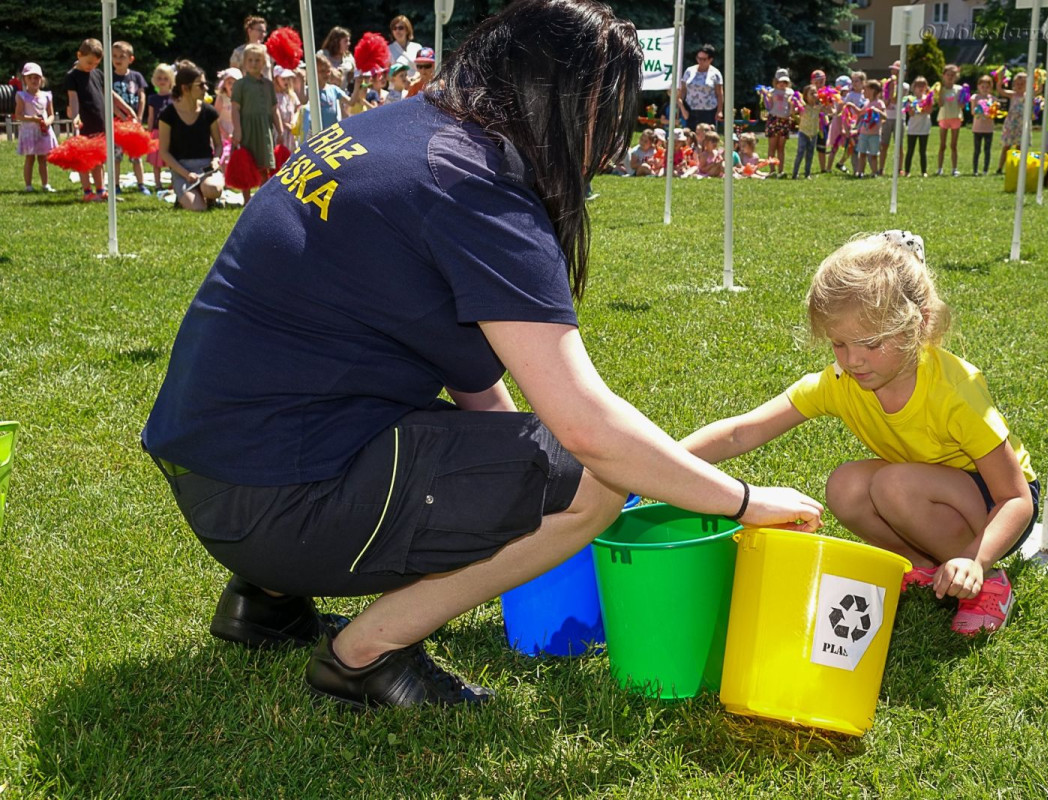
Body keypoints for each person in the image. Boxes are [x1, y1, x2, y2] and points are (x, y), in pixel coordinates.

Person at [141, 0, 823, 710]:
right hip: (272, 500)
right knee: (591, 482)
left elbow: (476, 390)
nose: (610, 147)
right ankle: (364, 657)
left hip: (209, 465)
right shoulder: (477, 186)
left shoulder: (398, 126)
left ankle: (266, 602)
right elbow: (590, 433)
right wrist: (744, 502)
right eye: (607, 118)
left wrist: (514, 500)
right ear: (567, 103)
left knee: (538, 462)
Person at [681, 231, 1038, 636]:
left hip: (999, 505)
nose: (853, 360)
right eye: (839, 343)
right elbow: (741, 433)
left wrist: (976, 558)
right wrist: (663, 460)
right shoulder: (841, 381)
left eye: (871, 343)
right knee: (844, 486)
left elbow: (1016, 499)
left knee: (894, 484)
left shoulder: (954, 391)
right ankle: (924, 567)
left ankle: (988, 583)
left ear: (917, 324)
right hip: (925, 489)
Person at [66, 38, 136, 201]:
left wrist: (126, 108)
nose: (92, 66)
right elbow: (73, 99)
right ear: (79, 55)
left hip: (100, 121)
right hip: (85, 123)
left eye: (96, 63)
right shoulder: (72, 76)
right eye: (89, 62)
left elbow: (110, 94)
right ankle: (87, 192)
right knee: (85, 159)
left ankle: (100, 190)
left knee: (99, 160)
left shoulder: (97, 74)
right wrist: (76, 116)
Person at [157, 60, 224, 212]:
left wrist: (215, 160)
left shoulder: (209, 112)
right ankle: (188, 196)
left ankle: (208, 195)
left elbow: (218, 144)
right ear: (185, 88)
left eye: (205, 84)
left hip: (206, 167)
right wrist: (186, 174)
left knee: (213, 189)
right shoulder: (168, 114)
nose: (205, 88)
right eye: (200, 85)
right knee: (198, 208)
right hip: (182, 169)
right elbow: (164, 152)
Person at [231, 43, 280, 203]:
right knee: (246, 164)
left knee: (264, 165)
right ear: (244, 63)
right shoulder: (240, 85)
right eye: (250, 60)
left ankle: (262, 200)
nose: (254, 63)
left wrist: (279, 130)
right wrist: (237, 130)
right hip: (247, 128)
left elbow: (274, 109)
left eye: (257, 60)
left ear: (264, 62)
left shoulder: (268, 85)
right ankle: (247, 200)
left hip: (264, 130)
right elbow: (235, 109)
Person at [111, 41, 151, 195]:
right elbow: (109, 100)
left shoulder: (136, 76)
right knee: (116, 157)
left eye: (122, 56)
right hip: (116, 124)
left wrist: (139, 117)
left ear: (130, 59)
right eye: (114, 56)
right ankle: (115, 185)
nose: (118, 59)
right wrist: (121, 116)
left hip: (134, 123)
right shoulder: (110, 76)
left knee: (136, 156)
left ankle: (141, 184)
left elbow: (141, 97)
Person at [15, 62, 57, 193]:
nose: (33, 80)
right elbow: (18, 115)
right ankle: (28, 185)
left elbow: (51, 115)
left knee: (43, 159)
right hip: (30, 132)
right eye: (30, 78)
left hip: (43, 132)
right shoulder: (22, 96)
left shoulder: (46, 96)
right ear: (24, 80)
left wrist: (47, 122)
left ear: (41, 79)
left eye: (36, 77)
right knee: (30, 158)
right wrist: (32, 119)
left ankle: (45, 184)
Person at [301, 54, 350, 138]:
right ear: (314, 72)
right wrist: (303, 80)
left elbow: (351, 102)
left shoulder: (334, 89)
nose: (326, 74)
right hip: (315, 133)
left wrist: (359, 85)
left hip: (332, 132)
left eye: (328, 71)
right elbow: (303, 101)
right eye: (322, 71)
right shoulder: (311, 90)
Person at [760, 69, 797, 178]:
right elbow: (768, 106)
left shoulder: (790, 92)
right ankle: (772, 170)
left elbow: (793, 105)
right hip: (773, 119)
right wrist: (764, 96)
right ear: (776, 81)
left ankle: (781, 170)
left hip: (784, 121)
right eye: (780, 81)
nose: (782, 84)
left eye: (785, 82)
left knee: (781, 147)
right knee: (772, 146)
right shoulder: (771, 92)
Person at [677, 44, 723, 130]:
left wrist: (719, 111)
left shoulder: (715, 73)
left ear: (710, 59)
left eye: (703, 59)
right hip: (690, 110)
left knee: (707, 137)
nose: (700, 61)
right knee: (690, 135)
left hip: (708, 111)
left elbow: (719, 94)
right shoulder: (689, 71)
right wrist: (680, 107)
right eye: (698, 58)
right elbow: (683, 91)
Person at [146, 63, 175, 191]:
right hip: (157, 132)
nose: (162, 81)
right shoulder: (152, 98)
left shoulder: (174, 98)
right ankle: (158, 184)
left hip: (171, 133)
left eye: (165, 78)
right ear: (155, 80)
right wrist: (149, 132)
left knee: (172, 160)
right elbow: (151, 117)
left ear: (171, 80)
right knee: (155, 161)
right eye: (159, 78)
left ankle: (174, 183)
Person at [934, 64, 963, 176]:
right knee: (942, 145)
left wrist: (964, 99)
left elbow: (961, 105)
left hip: (956, 117)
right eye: (948, 75)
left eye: (953, 75)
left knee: (953, 145)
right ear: (943, 75)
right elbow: (940, 104)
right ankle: (940, 168)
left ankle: (954, 168)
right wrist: (941, 91)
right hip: (944, 118)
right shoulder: (941, 89)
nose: (950, 77)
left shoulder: (959, 89)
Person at [903, 76, 933, 178]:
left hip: (924, 127)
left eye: (923, 85)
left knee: (922, 151)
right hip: (913, 128)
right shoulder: (911, 99)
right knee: (910, 150)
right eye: (918, 85)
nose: (921, 87)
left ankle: (924, 171)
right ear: (914, 87)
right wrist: (911, 108)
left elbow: (929, 110)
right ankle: (907, 171)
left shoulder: (928, 98)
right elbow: (910, 114)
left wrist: (922, 109)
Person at [853, 79, 884, 178]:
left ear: (872, 90)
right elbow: (859, 112)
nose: (863, 92)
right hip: (864, 133)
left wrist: (877, 111)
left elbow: (885, 117)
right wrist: (850, 106)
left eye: (865, 90)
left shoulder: (879, 103)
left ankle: (874, 172)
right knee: (862, 153)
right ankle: (860, 172)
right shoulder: (866, 103)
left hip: (874, 134)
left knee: (873, 154)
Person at [998, 72, 1027, 174]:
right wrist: (1000, 80)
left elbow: (1039, 90)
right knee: (1007, 146)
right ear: (1014, 84)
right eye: (1017, 84)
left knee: (1020, 146)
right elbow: (1000, 90)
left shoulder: (1027, 95)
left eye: (1022, 84)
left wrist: (1039, 80)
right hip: (1011, 122)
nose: (1019, 86)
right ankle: (1000, 167)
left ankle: (1018, 167)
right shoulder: (1012, 94)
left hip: (1022, 123)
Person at [791, 84, 820, 179]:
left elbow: (832, 111)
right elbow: (793, 112)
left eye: (815, 92)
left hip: (814, 133)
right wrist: (793, 104)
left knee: (810, 154)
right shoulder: (803, 107)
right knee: (800, 152)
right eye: (811, 93)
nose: (814, 94)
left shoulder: (818, 106)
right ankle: (795, 174)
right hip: (803, 133)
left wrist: (832, 102)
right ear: (805, 96)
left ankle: (807, 174)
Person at [969, 74, 996, 176]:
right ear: (978, 86)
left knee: (987, 150)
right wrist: (980, 111)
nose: (985, 89)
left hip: (989, 129)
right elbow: (972, 112)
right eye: (982, 86)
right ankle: (975, 170)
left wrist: (990, 113)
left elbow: (995, 113)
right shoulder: (975, 97)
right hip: (977, 128)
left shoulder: (993, 99)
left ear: (991, 87)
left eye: (987, 87)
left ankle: (985, 170)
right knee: (977, 150)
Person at [879, 60, 904, 172]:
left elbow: (894, 99)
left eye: (897, 71)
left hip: (899, 118)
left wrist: (892, 86)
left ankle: (899, 169)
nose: (894, 72)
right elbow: (883, 100)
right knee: (884, 144)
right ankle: (881, 168)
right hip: (887, 117)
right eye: (893, 70)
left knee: (899, 145)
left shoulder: (904, 86)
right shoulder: (886, 84)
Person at [319, 26, 356, 92]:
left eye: (349, 41)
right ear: (336, 42)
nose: (349, 44)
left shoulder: (349, 57)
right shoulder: (323, 55)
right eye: (345, 41)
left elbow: (353, 76)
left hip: (342, 96)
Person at [274, 65, 299, 153]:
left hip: (291, 131)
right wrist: (284, 124)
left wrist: (293, 122)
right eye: (283, 79)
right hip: (279, 131)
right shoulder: (274, 96)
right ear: (276, 79)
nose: (286, 82)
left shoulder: (291, 95)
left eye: (288, 79)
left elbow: (297, 109)